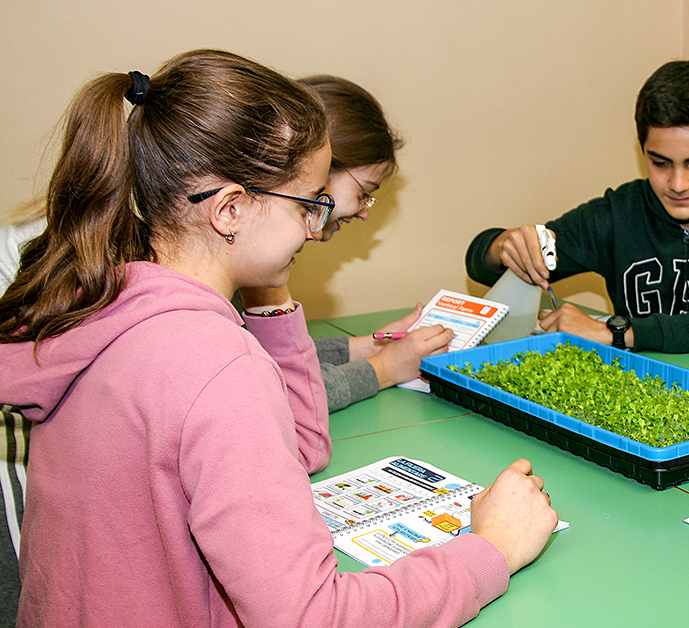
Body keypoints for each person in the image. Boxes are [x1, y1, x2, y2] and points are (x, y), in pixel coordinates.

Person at [0, 49, 557, 627]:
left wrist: (265, 287)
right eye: (308, 206)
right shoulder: (215, 366)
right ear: (231, 210)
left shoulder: (102, 300)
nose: (318, 228)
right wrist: (491, 549)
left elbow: (299, 450)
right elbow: (311, 618)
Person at [464, 60, 689, 353]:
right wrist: (504, 246)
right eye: (660, 163)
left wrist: (617, 332)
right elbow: (479, 262)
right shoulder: (621, 212)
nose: (678, 184)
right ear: (643, 150)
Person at [239, 75, 454, 412]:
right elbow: (282, 398)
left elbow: (266, 354)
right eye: (363, 193)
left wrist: (367, 347)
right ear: (319, 166)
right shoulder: (248, 268)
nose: (364, 213)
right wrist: (384, 369)